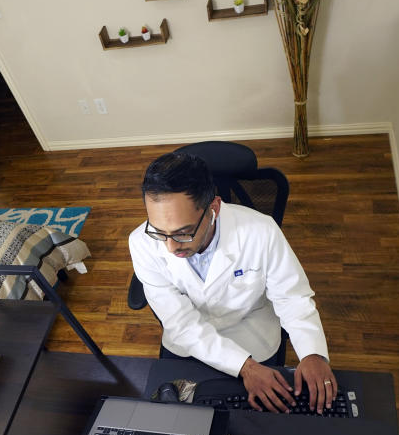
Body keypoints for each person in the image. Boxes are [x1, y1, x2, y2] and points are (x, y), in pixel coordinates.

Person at [128, 151, 337, 414]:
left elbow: (291, 297)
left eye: (183, 233)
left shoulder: (261, 231)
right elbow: (181, 323)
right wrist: (244, 367)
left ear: (213, 208)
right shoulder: (141, 243)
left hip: (251, 334)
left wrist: (312, 353)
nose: (170, 247)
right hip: (187, 345)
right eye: (159, 231)